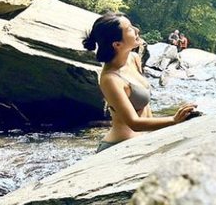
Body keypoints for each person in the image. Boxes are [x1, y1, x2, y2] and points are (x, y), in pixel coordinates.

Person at [83, 13, 197, 153]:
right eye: (130, 29)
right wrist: (174, 120)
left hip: (144, 140)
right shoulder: (110, 79)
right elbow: (134, 123)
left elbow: (145, 107)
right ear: (117, 44)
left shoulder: (134, 58)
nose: (137, 30)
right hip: (118, 146)